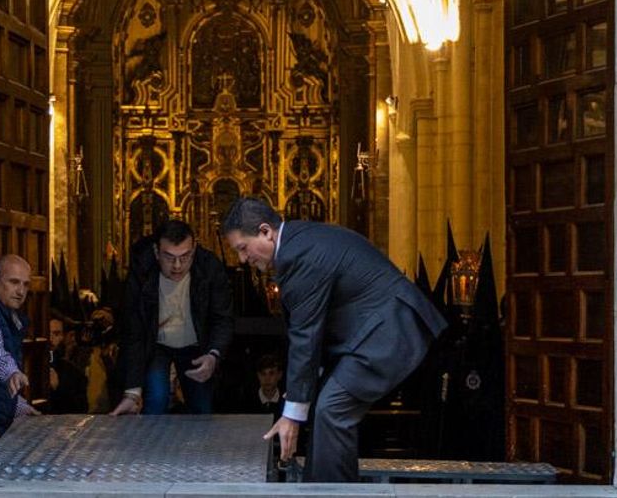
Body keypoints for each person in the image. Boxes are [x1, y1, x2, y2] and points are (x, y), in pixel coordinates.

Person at [221, 197, 446, 482]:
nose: (243, 259)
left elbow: (306, 334)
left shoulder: (297, 256)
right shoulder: (298, 241)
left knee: (332, 409)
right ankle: (321, 486)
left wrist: (291, 416)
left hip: (387, 332)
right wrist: (300, 394)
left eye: (243, 248)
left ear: (266, 231)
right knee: (327, 408)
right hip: (371, 333)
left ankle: (329, 491)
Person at [111, 219, 233, 415]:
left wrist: (214, 355)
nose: (177, 266)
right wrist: (132, 392)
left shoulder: (210, 268)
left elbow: (222, 319)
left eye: (185, 257)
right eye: (169, 258)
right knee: (156, 399)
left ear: (193, 250)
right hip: (156, 345)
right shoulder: (142, 270)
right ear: (156, 252)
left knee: (202, 408)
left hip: (196, 346)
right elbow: (134, 331)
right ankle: (151, 444)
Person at [0, 254, 39, 461]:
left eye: (25, 285)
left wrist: (21, 407)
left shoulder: (13, 318)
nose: (21, 291)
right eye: (14, 282)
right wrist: (10, 371)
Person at [46, 312, 89, 414]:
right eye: (47, 333)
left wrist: (57, 389)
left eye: (56, 334)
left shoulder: (74, 374)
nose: (50, 338)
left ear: (63, 337)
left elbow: (81, 410)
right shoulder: (24, 369)